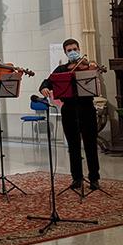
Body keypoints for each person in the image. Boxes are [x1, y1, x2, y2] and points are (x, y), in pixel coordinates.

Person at [39, 38, 101, 191]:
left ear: (79, 49)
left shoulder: (88, 67)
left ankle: (94, 178)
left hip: (87, 108)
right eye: (69, 50)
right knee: (73, 146)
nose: (73, 52)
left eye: (75, 49)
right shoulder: (61, 70)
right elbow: (47, 82)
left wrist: (95, 70)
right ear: (65, 52)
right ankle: (77, 178)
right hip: (69, 110)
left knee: (90, 145)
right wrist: (44, 88)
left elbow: (96, 82)